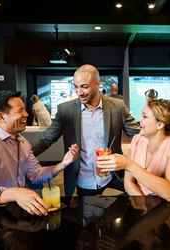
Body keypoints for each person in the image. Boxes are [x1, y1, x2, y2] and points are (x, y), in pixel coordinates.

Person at [32, 64, 139, 197]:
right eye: (76, 87)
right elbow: (46, 139)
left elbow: (137, 134)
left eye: (84, 86)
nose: (79, 92)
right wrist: (23, 158)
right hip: (83, 180)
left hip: (114, 176)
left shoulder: (117, 107)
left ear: (98, 84)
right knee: (87, 216)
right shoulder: (65, 110)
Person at [0, 92, 79, 215]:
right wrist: (14, 194)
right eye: (20, 111)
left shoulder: (22, 142)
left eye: (25, 110)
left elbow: (36, 174)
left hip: (18, 214)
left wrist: (62, 164)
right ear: (1, 117)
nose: (26, 114)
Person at [96, 99, 170, 202]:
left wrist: (129, 164)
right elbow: (128, 183)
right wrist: (143, 205)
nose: (140, 122)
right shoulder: (137, 140)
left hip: (168, 208)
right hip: (140, 203)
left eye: (145, 117)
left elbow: (169, 193)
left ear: (160, 125)